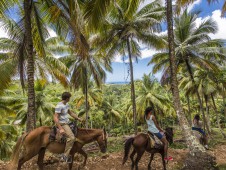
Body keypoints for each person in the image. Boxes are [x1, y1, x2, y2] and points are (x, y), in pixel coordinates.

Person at [53, 92, 83, 163]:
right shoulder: (59, 106)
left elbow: (70, 113)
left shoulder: (66, 104)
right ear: (67, 98)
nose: (70, 99)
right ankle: (64, 156)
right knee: (71, 138)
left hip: (67, 122)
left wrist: (78, 118)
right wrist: (60, 128)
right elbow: (55, 117)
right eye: (69, 98)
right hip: (62, 123)